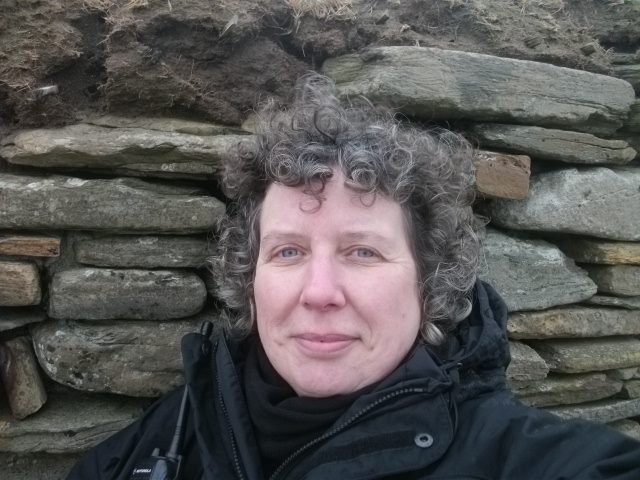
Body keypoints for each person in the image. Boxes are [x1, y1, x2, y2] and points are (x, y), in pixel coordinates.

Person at [67, 74, 640, 480]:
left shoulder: (531, 459)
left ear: (429, 282)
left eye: (363, 252)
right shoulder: (165, 437)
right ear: (249, 279)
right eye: (288, 251)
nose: (319, 293)